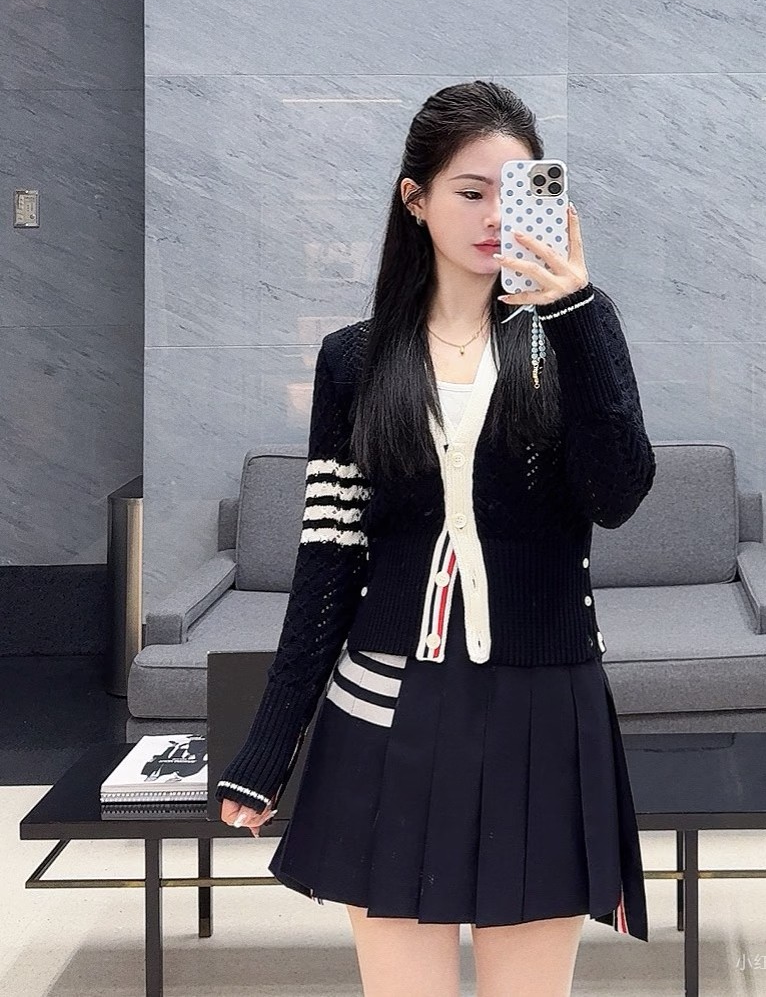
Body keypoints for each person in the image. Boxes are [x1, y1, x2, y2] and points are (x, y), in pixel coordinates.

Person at [216, 80, 656, 997]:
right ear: (415, 200)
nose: (496, 215)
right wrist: (268, 747)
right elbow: (328, 560)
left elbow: (617, 494)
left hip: (544, 710)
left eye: (515, 190)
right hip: (388, 712)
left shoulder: (570, 334)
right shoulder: (354, 359)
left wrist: (578, 311)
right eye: (470, 191)